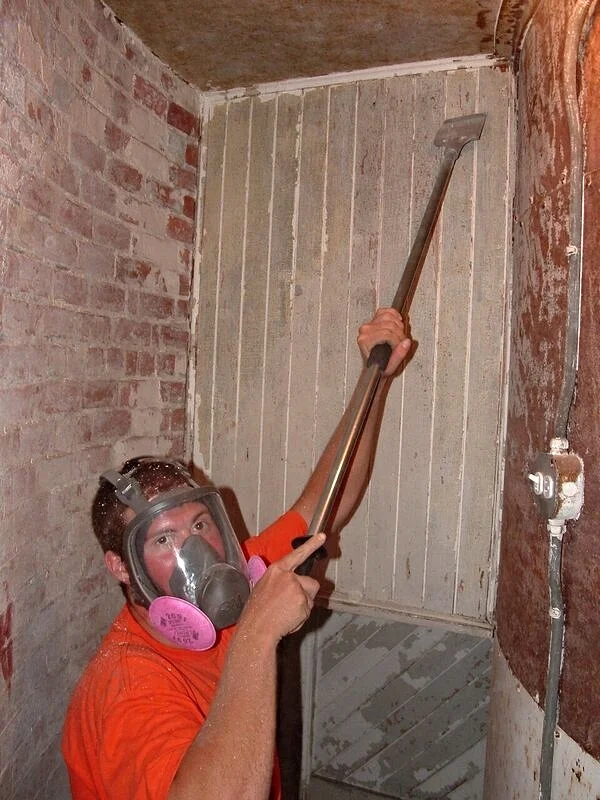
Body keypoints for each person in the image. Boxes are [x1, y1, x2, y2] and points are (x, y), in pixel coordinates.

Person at [62, 308, 412, 800]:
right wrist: (257, 634)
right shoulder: (129, 686)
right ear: (120, 566)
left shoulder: (238, 581)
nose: (197, 551)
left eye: (200, 524)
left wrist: (374, 378)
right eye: (163, 540)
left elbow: (328, 501)